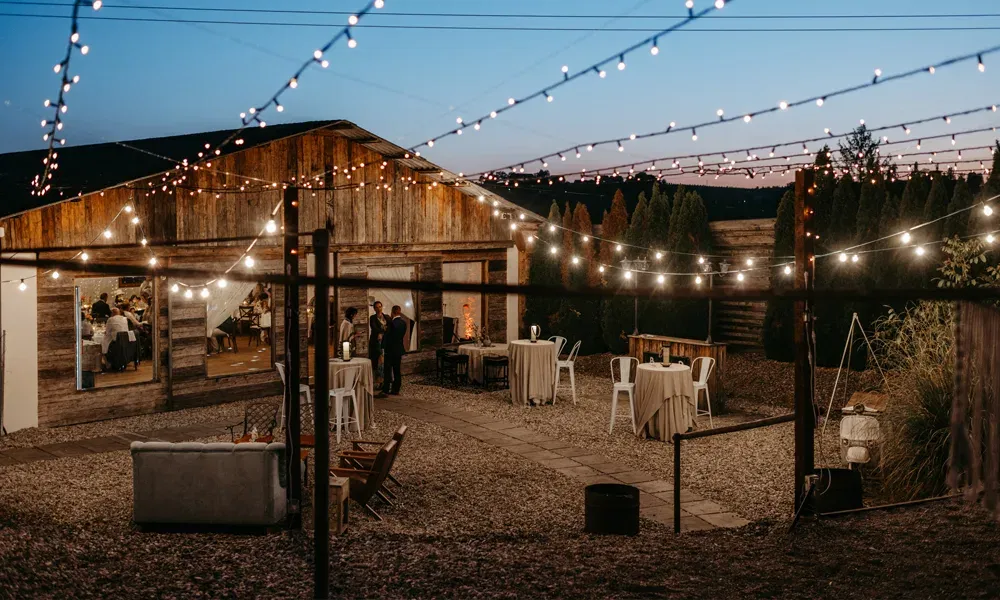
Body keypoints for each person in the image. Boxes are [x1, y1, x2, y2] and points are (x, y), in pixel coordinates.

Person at [382, 305, 407, 396]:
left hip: (390, 350)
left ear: (392, 312)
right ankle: (396, 389)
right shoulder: (403, 323)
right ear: (399, 312)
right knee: (397, 370)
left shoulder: (391, 323)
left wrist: (383, 347)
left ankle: (386, 389)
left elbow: (387, 337)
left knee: (387, 370)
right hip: (398, 349)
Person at [369, 301, 388, 381]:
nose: (378, 309)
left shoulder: (387, 317)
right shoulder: (372, 317)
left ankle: (385, 379)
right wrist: (382, 330)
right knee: (377, 360)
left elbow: (390, 327)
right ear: (374, 309)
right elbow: (374, 328)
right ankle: (378, 379)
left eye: (380, 307)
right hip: (376, 342)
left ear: (382, 307)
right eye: (376, 307)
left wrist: (382, 331)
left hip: (385, 341)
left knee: (384, 360)